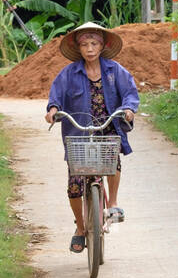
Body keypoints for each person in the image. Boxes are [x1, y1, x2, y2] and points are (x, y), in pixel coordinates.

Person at [45, 22, 139, 254]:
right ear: (78, 48)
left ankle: (113, 203)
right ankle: (80, 228)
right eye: (85, 44)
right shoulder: (68, 73)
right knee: (75, 185)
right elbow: (55, 96)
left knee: (113, 158)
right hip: (79, 131)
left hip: (107, 126)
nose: (89, 49)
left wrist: (128, 108)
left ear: (102, 45)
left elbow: (129, 93)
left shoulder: (115, 71)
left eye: (94, 43)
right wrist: (53, 110)